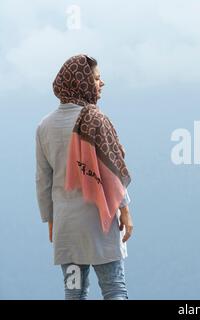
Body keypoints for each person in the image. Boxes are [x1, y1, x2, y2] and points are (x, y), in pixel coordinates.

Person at [35, 54, 134, 300]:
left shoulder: (44, 126)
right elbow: (111, 172)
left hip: (67, 226)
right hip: (99, 222)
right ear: (82, 82)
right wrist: (125, 211)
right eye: (97, 78)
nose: (102, 83)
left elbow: (43, 179)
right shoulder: (96, 120)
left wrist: (50, 219)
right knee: (114, 289)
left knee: (74, 292)